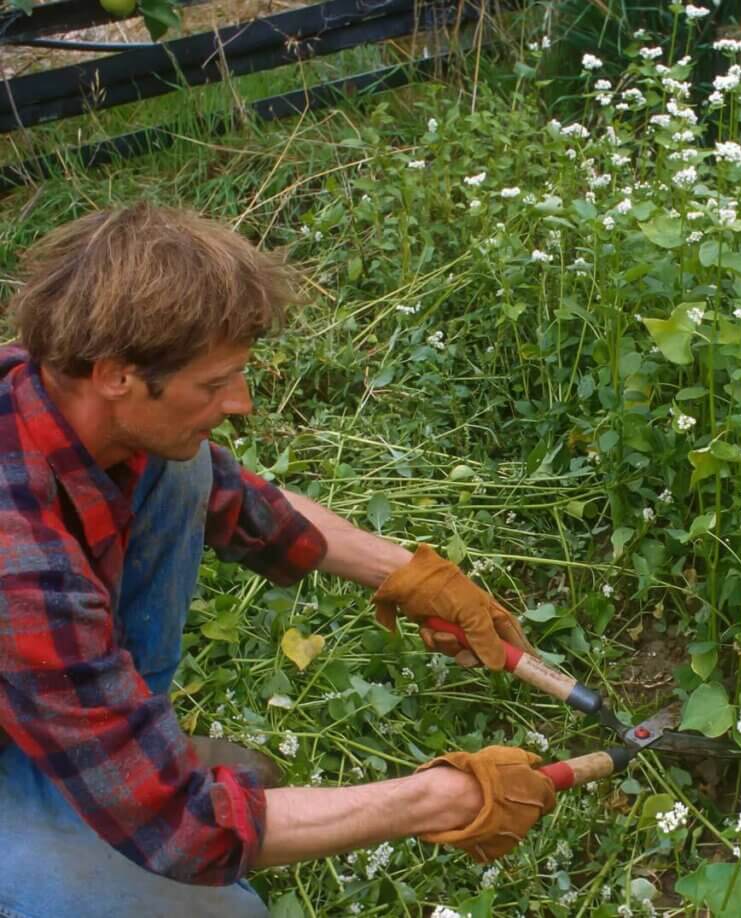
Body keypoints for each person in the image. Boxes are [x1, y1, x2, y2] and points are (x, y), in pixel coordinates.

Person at [0, 202, 555, 918]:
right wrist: (435, 797)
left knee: (186, 471)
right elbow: (183, 834)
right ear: (116, 375)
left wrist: (410, 575)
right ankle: (94, 787)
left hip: (34, 694)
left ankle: (116, 753)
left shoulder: (40, 390)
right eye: (214, 384)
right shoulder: (18, 561)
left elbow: (237, 501)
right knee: (231, 915)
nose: (242, 403)